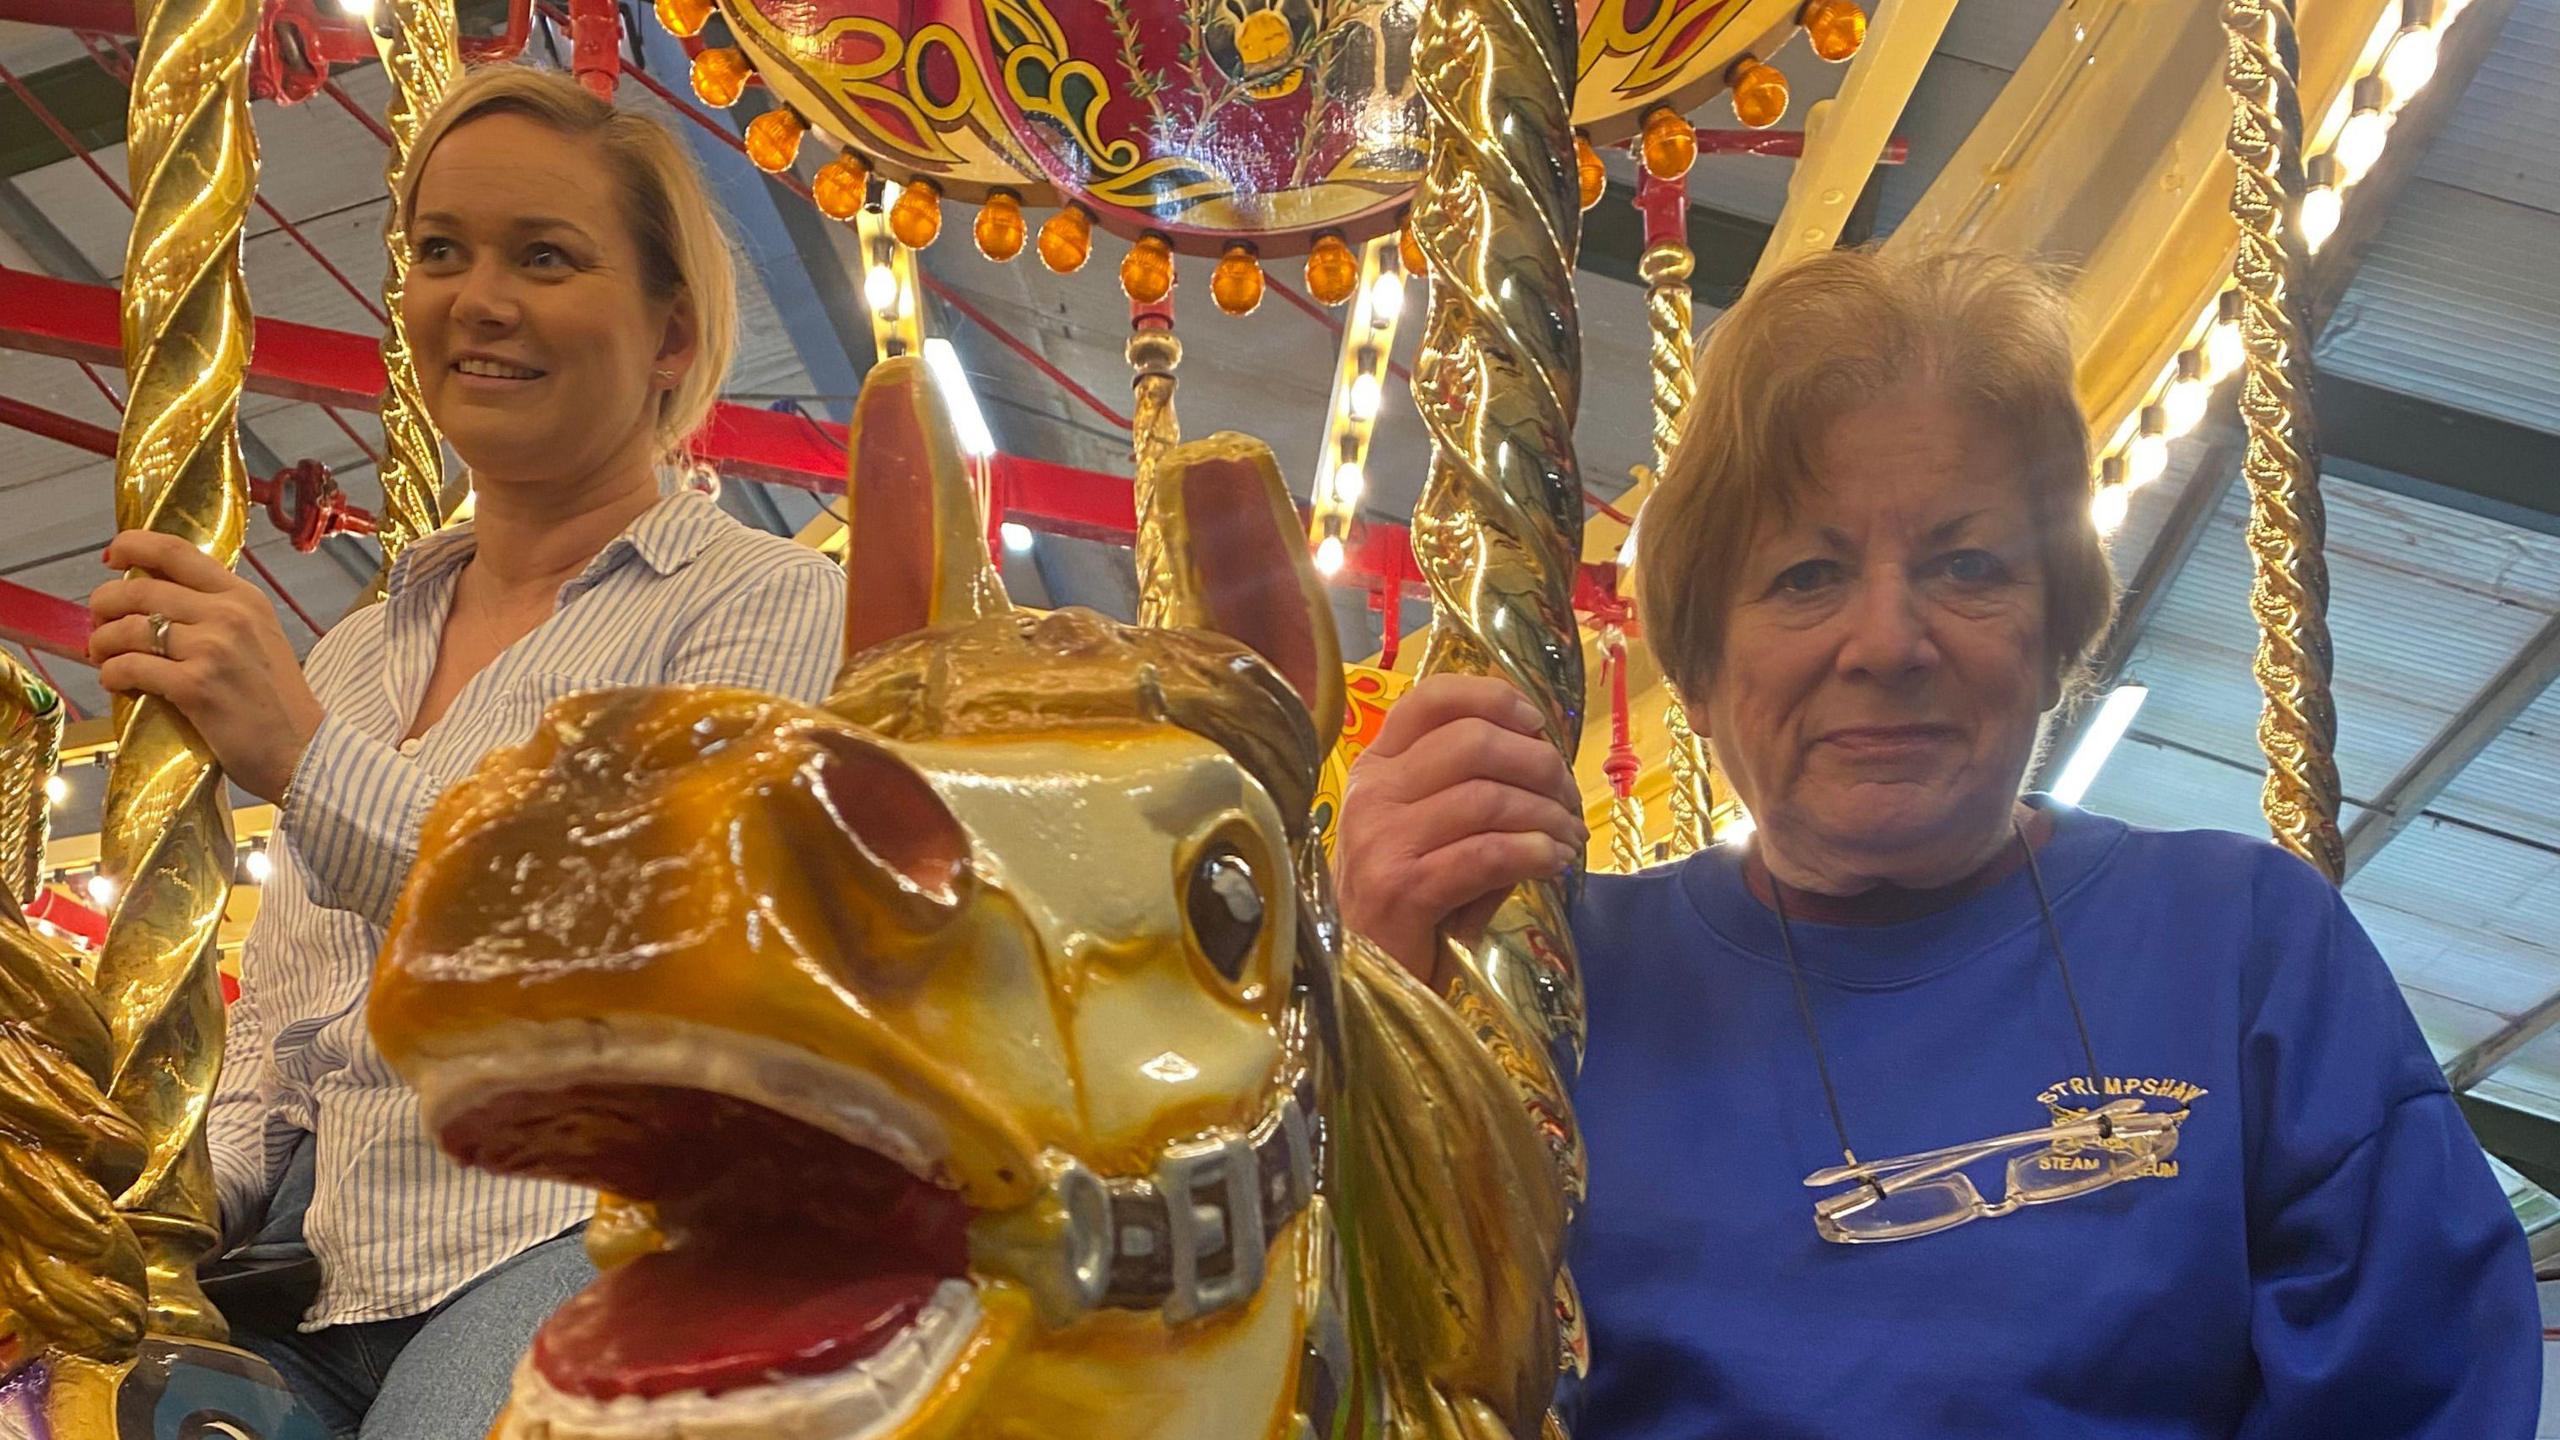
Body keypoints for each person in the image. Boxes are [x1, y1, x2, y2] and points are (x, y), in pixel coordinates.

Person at [1332, 247, 2540, 1437]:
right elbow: (1353, 1363)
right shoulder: (1544, 980)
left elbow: (2418, 1389)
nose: (1887, 642)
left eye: (1966, 567)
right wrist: (1367, 1012)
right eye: (1806, 576)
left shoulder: (2241, 948)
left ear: (2055, 626)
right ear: (1697, 669)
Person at [85, 65, 845, 1440]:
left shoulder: (767, 608)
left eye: (543, 258)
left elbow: (651, 962)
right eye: (441, 250)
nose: (475, 299)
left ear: (672, 335)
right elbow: (284, 1033)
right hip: (316, 1274)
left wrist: (314, 767)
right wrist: (151, 1185)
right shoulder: (353, 657)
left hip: (592, 1239)